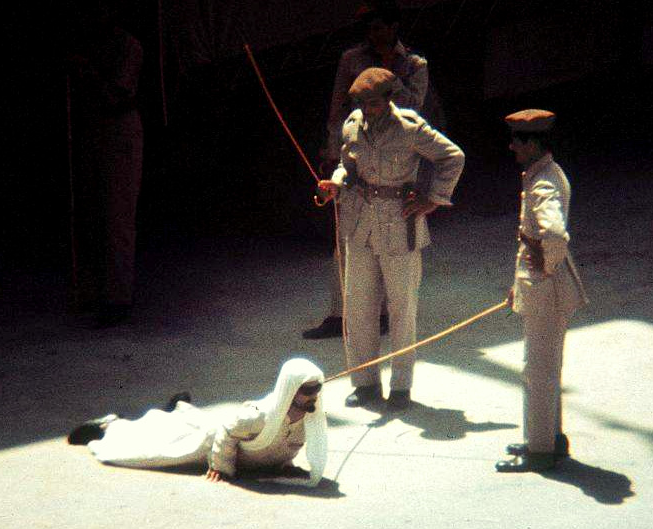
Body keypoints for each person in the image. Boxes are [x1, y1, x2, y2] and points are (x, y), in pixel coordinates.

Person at [316, 67, 464, 410]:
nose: (367, 108)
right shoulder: (352, 124)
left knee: (402, 308)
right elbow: (347, 164)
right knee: (358, 307)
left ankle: (401, 387)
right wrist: (335, 184)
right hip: (360, 223)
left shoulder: (409, 127)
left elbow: (453, 156)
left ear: (388, 98)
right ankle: (365, 383)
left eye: (373, 102)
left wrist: (434, 198)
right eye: (362, 102)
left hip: (400, 224)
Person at [303, 0, 437, 340]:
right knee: (346, 241)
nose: (374, 33)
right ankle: (341, 313)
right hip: (357, 161)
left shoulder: (415, 65)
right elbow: (338, 108)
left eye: (380, 26)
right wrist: (331, 150)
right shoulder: (352, 59)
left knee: (392, 245)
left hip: (394, 166)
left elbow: (414, 108)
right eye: (370, 27)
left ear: (394, 27)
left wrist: (389, 75)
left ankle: (388, 315)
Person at [495, 109, 588, 473]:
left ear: (533, 143)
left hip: (547, 289)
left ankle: (540, 451)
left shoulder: (543, 183)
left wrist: (544, 269)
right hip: (544, 286)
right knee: (546, 367)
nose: (512, 146)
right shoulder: (543, 172)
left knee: (539, 370)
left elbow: (553, 234)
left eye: (518, 140)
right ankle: (549, 438)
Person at [67, 358, 328, 487]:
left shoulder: (310, 415)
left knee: (189, 423)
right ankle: (110, 426)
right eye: (308, 389)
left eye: (317, 387)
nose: (314, 394)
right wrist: (221, 467)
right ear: (291, 390)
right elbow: (226, 431)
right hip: (208, 444)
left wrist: (284, 465)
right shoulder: (259, 415)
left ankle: (180, 408)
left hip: (230, 442)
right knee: (149, 450)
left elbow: (283, 442)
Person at [66, 1, 144, 328]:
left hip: (119, 131)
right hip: (97, 132)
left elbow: (118, 94)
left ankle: (118, 298)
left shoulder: (128, 47)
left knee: (118, 217)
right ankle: (97, 291)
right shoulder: (93, 44)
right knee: (96, 215)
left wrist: (88, 73)